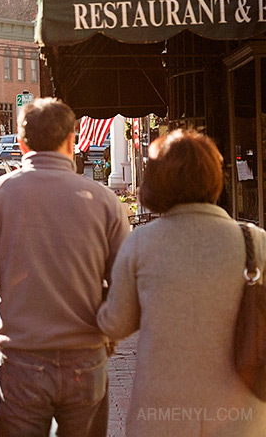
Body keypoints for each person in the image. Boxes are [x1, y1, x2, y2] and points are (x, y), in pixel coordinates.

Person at [0, 97, 130, 437]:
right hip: (86, 359)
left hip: (22, 362)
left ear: (22, 144)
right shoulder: (105, 202)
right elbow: (126, 284)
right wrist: (107, 333)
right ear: (72, 140)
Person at [97, 130, 266, 436]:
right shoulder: (255, 243)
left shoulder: (141, 243)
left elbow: (116, 324)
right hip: (242, 414)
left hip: (162, 414)